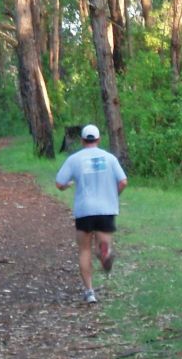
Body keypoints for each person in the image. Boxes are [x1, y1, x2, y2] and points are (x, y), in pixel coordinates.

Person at [55, 124, 128, 304]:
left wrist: (67, 186)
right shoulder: (109, 158)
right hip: (106, 208)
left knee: (84, 250)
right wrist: (114, 194)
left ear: (82, 140)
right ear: (98, 139)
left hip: (84, 210)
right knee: (103, 241)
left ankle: (89, 292)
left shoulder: (75, 159)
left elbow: (59, 183)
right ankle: (105, 250)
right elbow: (123, 181)